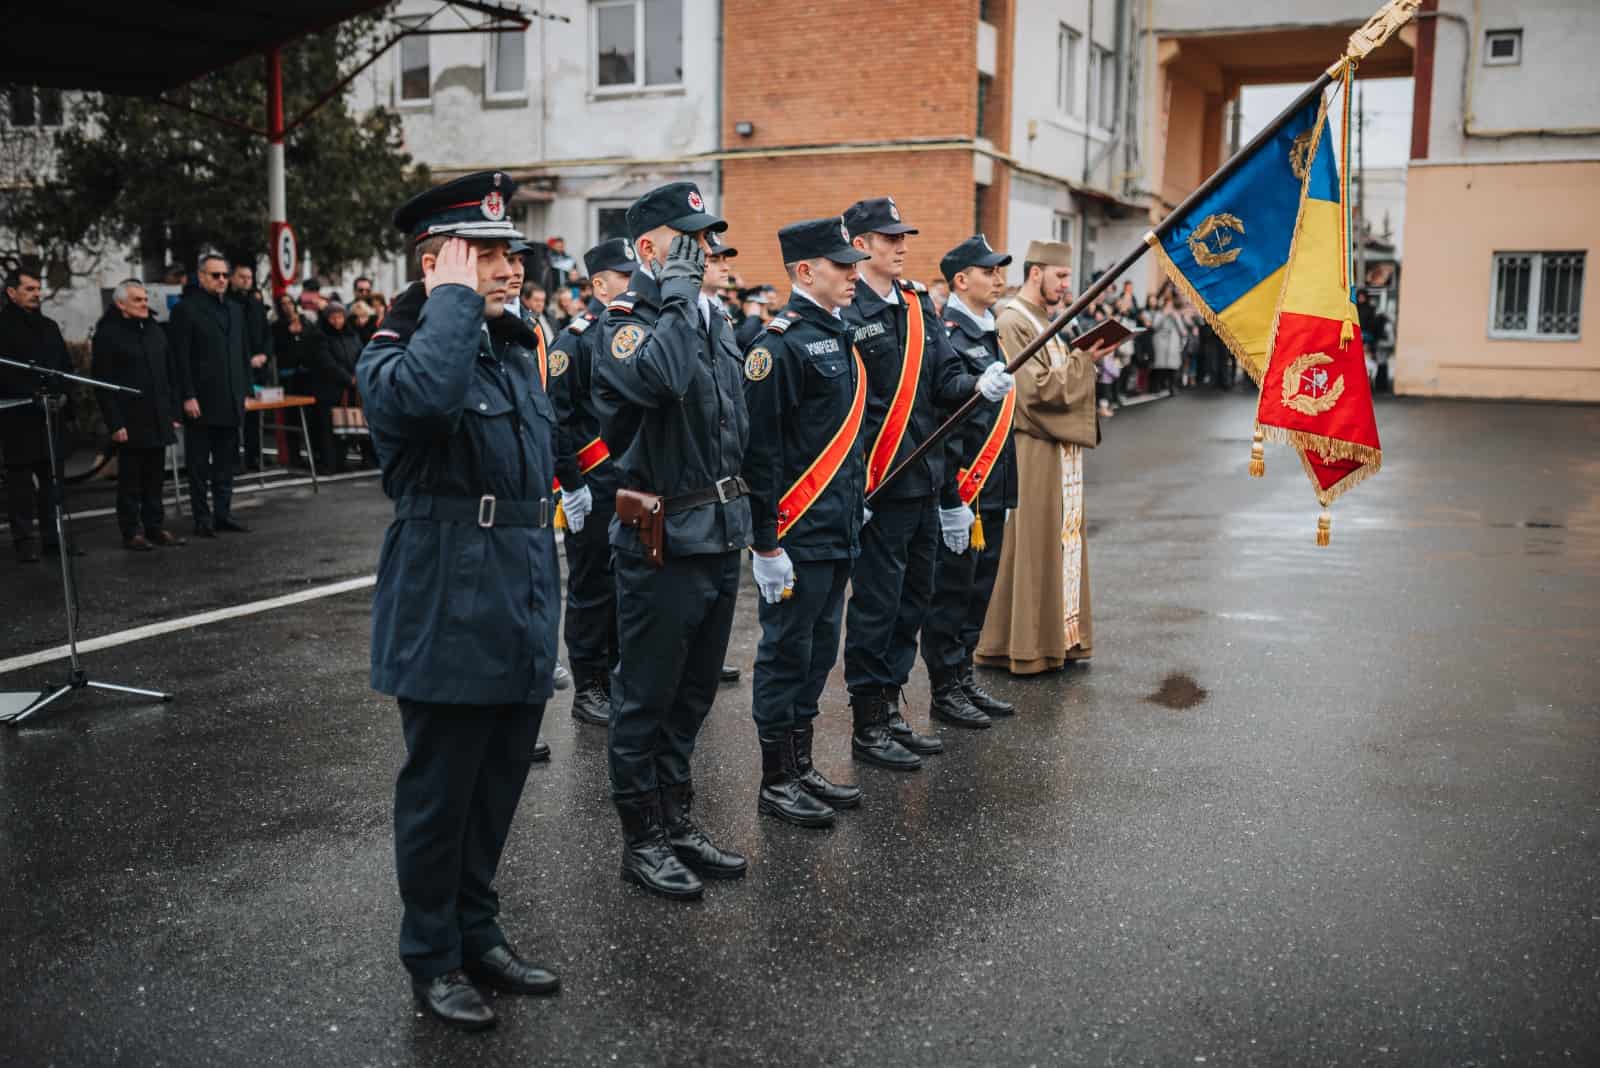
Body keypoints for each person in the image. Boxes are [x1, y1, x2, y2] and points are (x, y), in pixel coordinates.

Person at [358, 171, 561, 1031]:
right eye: (483, 253)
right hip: (447, 594)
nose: (507, 266)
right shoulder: (395, 353)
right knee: (441, 794)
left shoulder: (512, 349)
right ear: (435, 260)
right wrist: (445, 299)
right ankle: (432, 955)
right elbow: (429, 398)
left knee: (498, 785)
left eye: (509, 250)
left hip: (516, 587)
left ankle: (479, 930)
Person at [593, 181, 751, 900]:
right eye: (693, 239)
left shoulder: (710, 318)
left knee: (691, 695)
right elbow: (658, 381)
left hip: (717, 530)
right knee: (646, 697)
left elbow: (731, 428)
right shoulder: (628, 321)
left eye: (709, 237)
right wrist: (681, 294)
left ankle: (678, 818)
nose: (709, 249)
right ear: (651, 249)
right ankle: (642, 838)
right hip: (661, 536)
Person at [838, 196, 1014, 770]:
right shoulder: (849, 310)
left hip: (923, 480)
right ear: (860, 244)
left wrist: (974, 386)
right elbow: (848, 409)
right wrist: (850, 486)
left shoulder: (915, 303)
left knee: (911, 604)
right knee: (876, 607)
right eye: (888, 238)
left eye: (902, 236)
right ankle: (868, 722)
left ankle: (891, 709)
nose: (901, 245)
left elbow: (943, 378)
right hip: (878, 486)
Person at [741, 217, 870, 828]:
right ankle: (775, 779)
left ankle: (802, 764)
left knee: (819, 654)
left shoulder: (837, 335)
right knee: (786, 654)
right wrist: (765, 542)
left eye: (852, 263)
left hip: (837, 528)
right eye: (841, 265)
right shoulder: (779, 346)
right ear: (804, 271)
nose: (852, 273)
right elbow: (760, 455)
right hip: (797, 535)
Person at [976, 240, 1106, 676]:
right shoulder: (1013, 320)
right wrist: (1084, 359)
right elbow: (1033, 391)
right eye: (1061, 277)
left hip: (1055, 448)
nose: (1067, 286)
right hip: (1031, 449)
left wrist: (1082, 358)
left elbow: (1055, 378)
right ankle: (1022, 645)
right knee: (1032, 544)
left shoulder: (1043, 320)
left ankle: (1059, 640)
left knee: (1057, 542)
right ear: (1037, 273)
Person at [919, 235, 1018, 727]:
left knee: (979, 588)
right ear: (961, 280)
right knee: (952, 591)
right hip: (964, 487)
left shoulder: (986, 331)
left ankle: (964, 677)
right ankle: (944, 687)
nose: (998, 278)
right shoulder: (949, 336)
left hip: (994, 483)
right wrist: (951, 497)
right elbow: (946, 422)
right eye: (988, 270)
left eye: (1000, 270)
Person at [548, 238, 633, 727]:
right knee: (591, 584)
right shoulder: (576, 340)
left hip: (633, 479)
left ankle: (620, 671)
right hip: (593, 480)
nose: (633, 283)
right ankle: (590, 684)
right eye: (623, 276)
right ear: (599, 285)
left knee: (631, 579)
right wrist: (571, 482)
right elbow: (558, 419)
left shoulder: (637, 331)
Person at [91, 280, 186, 550]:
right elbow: (103, 384)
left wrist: (173, 411)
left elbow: (170, 374)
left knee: (155, 478)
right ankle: (131, 531)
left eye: (145, 299)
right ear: (121, 304)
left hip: (158, 416)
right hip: (130, 420)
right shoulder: (108, 335)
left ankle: (154, 526)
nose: (145, 304)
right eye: (138, 300)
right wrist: (115, 422)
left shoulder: (154, 330)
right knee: (131, 481)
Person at [0, 266, 80, 562]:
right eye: (30, 289)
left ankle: (53, 539)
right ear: (12, 292)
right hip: (18, 420)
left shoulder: (48, 327)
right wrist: (27, 393)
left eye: (38, 289)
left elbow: (63, 365)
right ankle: (24, 542)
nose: (37, 294)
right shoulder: (3, 327)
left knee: (53, 486)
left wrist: (63, 395)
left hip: (51, 417)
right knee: (20, 487)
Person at [169, 251, 251, 537]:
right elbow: (180, 358)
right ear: (201, 276)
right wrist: (187, 395)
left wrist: (245, 391)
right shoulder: (186, 309)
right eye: (215, 275)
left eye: (225, 275)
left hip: (230, 398)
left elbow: (242, 353)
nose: (221, 280)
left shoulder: (235, 309)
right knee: (199, 465)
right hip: (201, 400)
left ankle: (223, 514)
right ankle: (201, 519)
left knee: (226, 464)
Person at [228, 264, 273, 471]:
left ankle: (254, 456)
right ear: (232, 278)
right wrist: (246, 359)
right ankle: (234, 458)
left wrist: (264, 354)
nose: (246, 280)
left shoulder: (256, 304)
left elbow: (266, 333)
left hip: (259, 367)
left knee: (255, 417)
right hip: (237, 367)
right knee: (235, 416)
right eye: (242, 277)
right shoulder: (227, 304)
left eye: (249, 277)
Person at [270, 293, 322, 469]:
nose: (287, 307)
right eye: (283, 304)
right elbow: (276, 348)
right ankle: (295, 456)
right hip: (288, 375)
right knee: (292, 418)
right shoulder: (277, 327)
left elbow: (315, 341)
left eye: (289, 303)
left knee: (313, 416)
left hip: (307, 374)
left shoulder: (306, 321)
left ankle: (315, 454)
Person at [315, 302, 361, 472]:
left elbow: (361, 354)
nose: (336, 321)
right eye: (332, 317)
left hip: (350, 389)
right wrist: (348, 378)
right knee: (329, 428)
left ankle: (342, 461)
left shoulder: (352, 335)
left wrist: (358, 375)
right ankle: (330, 463)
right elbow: (327, 363)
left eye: (340, 316)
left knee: (345, 426)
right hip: (330, 388)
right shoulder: (321, 336)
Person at [1150, 293, 1184, 395]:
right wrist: (1164, 314)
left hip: (1173, 343)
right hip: (1160, 342)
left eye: (1171, 305)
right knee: (1160, 366)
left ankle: (1172, 387)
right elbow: (1154, 326)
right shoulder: (1159, 314)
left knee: (1172, 366)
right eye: (1167, 305)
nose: (1169, 307)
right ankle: (1157, 388)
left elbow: (1182, 330)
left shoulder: (1176, 315)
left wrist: (1176, 317)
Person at [733, 285, 773, 351]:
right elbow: (744, 339)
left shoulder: (764, 321)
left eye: (763, 304)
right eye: (759, 304)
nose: (763, 308)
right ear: (745, 305)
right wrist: (753, 316)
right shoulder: (738, 320)